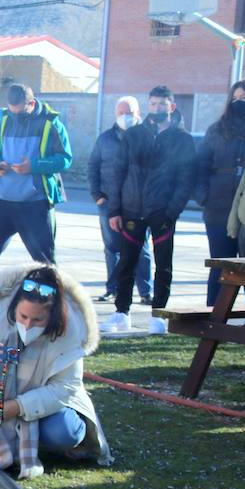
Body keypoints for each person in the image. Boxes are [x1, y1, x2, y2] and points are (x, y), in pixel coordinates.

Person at [0, 263, 111, 478]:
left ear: (53, 317)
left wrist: (20, 406)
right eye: (23, 316)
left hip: (40, 403)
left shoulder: (72, 329)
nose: (28, 324)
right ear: (13, 306)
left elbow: (66, 387)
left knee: (64, 433)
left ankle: (42, 436)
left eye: (37, 320)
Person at [0, 85, 72, 315]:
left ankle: (50, 302)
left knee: (44, 257)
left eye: (19, 111)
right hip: (1, 200)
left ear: (31, 103)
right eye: (11, 110)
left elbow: (65, 159)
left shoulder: (51, 124)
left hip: (34, 202)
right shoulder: (5, 121)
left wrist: (34, 166)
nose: (14, 115)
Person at [101, 85, 195, 335]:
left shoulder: (182, 139)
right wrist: (114, 210)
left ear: (171, 107)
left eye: (162, 105)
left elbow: (186, 180)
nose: (157, 109)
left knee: (163, 265)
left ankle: (159, 315)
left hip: (162, 212)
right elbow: (117, 172)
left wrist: (172, 211)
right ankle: (122, 313)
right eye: (153, 104)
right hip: (131, 210)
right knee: (126, 263)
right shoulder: (134, 134)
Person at [88, 97, 153, 305]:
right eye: (121, 112)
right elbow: (93, 167)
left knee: (141, 248)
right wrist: (98, 196)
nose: (126, 116)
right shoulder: (105, 139)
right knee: (112, 248)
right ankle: (113, 288)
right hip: (109, 203)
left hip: (138, 204)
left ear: (138, 114)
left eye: (130, 112)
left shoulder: (147, 137)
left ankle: (145, 291)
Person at [194, 81, 245, 306]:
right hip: (218, 207)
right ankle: (214, 317)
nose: (240, 102)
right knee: (220, 266)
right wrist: (204, 196)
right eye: (235, 98)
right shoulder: (217, 129)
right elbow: (200, 166)